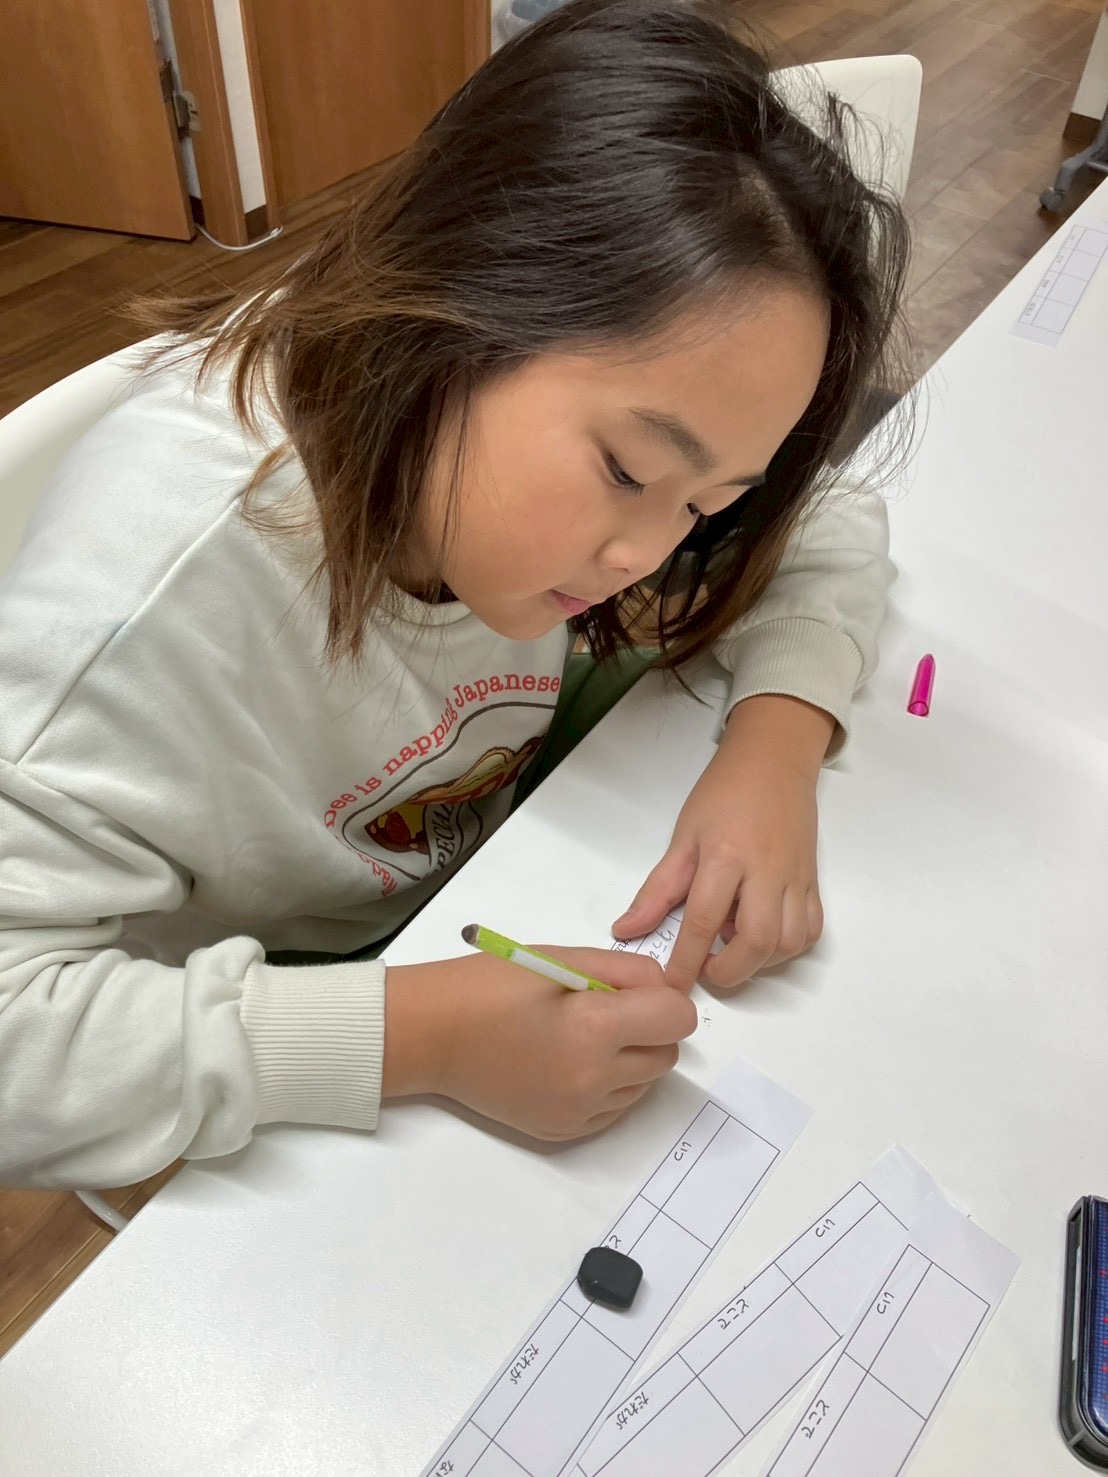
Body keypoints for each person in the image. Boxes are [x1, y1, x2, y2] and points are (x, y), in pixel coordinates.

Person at [0, 0, 909, 1188]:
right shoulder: (164, 588)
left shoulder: (509, 461)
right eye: (627, 470)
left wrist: (775, 743)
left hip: (480, 882)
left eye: (703, 504)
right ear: (455, 302)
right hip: (247, 1021)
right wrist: (421, 1037)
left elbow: (829, 514)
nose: (645, 553)